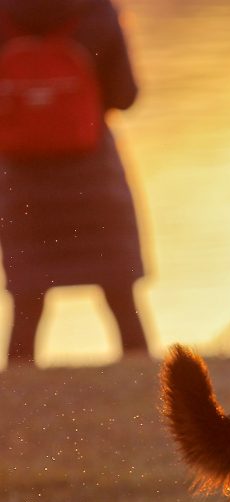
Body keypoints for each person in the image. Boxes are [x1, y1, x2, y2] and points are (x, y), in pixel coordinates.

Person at [0, 0, 149, 366]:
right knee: (120, 293)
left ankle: (17, 393)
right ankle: (147, 387)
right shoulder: (98, 12)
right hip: (92, 174)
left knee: (27, 299)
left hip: (21, 178)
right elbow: (124, 96)